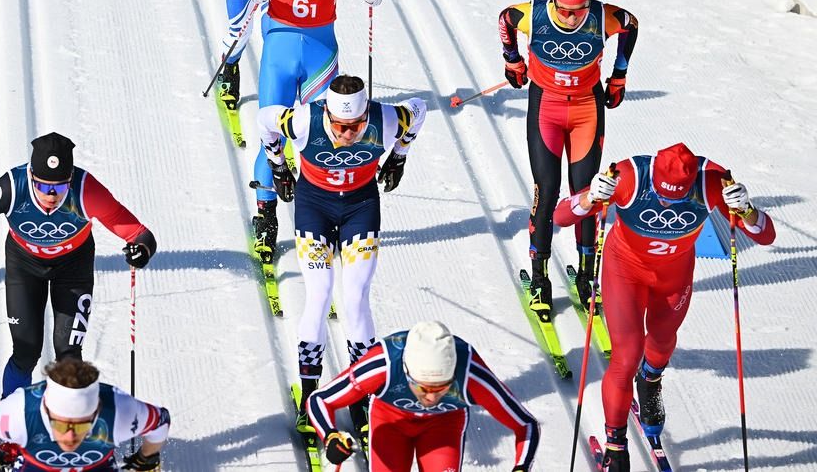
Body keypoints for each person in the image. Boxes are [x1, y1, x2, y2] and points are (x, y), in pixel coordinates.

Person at [553, 143, 775, 472]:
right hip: (625, 271)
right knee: (626, 356)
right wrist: (590, 197)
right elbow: (561, 216)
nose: (668, 204)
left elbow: (766, 236)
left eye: (677, 197)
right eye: (662, 196)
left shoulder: (711, 181)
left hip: (674, 275)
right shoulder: (630, 175)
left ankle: (650, 380)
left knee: (662, 340)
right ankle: (616, 447)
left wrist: (746, 210)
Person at [216, 0, 398, 263]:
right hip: (279, 53)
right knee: (272, 133)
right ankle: (266, 216)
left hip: (321, 54)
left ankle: (329, 218)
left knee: (328, 135)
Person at [257, 74, 426, 439]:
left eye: (357, 126)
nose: (349, 134)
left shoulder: (385, 119)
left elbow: (419, 108)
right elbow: (264, 119)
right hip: (314, 207)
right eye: (340, 126)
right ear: (327, 115)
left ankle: (360, 396)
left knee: (355, 298)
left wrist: (400, 155)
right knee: (319, 295)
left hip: (360, 208)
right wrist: (278, 165)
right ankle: (309, 395)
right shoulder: (304, 120)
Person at [0, 132, 157, 396]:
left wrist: (141, 252)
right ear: (31, 175)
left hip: (73, 269)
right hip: (24, 267)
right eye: (42, 187)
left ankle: (71, 419)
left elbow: (140, 234)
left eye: (60, 188)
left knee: (69, 356)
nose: (51, 195)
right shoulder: (11, 187)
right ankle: (11, 417)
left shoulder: (87, 191)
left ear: (70, 179)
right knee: (26, 352)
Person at [497, 0, 638, 309]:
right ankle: (540, 279)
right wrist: (512, 60)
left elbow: (631, 25)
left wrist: (619, 75)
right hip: (546, 108)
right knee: (546, 192)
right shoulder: (534, 15)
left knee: (587, 194)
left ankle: (587, 276)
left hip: (587, 109)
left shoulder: (602, 16)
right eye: (564, 10)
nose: (572, 17)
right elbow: (505, 19)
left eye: (578, 10)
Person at [307, 321, 539, 471]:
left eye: (441, 388)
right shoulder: (383, 365)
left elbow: (526, 424)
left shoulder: (471, 374)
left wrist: (521, 467)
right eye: (422, 387)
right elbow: (320, 399)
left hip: (443, 426)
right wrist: (330, 436)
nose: (430, 398)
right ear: (407, 372)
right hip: (391, 422)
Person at [0, 357, 170, 471]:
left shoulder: (119, 412)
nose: (70, 437)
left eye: (82, 425)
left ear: (96, 411)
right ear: (46, 410)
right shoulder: (19, 413)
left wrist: (146, 460)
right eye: (60, 425)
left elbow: (160, 422)